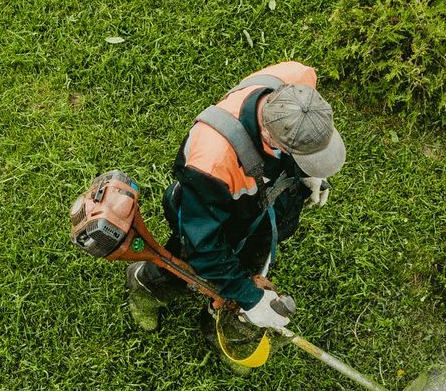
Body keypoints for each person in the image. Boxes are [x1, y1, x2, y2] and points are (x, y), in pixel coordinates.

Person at [126, 61, 346, 373]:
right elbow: (204, 245)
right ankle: (145, 287)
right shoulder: (212, 161)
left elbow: (304, 135)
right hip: (214, 217)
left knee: (248, 266)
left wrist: (309, 174)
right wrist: (252, 298)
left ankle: (219, 315)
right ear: (270, 137)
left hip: (263, 208)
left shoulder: (298, 79)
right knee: (186, 267)